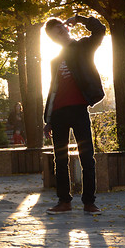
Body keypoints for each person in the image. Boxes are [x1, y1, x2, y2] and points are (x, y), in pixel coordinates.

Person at [43, 13, 106, 214]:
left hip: (79, 110)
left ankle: (89, 202)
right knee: (59, 160)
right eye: (56, 35)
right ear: (53, 40)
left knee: (87, 157)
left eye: (61, 30)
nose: (60, 35)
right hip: (59, 114)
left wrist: (79, 18)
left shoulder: (83, 47)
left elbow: (100, 30)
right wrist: (48, 119)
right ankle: (64, 202)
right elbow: (52, 91)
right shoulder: (54, 61)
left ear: (67, 28)